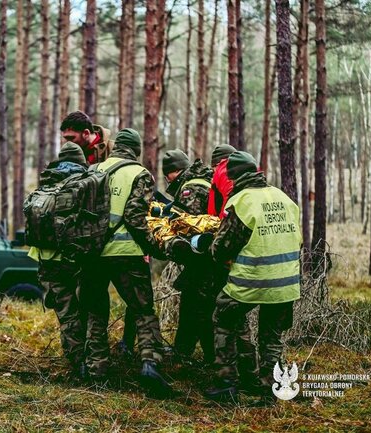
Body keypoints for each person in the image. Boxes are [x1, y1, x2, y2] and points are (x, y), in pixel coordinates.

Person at [79, 128, 172, 395]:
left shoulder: (94, 170)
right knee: (143, 310)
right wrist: (156, 246)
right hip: (127, 254)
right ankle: (150, 364)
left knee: (95, 311)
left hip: (93, 254)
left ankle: (96, 370)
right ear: (136, 150)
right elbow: (134, 216)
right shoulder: (139, 174)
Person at [204, 151, 301, 402]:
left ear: (233, 178)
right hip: (287, 282)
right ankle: (270, 388)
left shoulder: (242, 201)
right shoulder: (283, 197)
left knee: (223, 316)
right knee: (271, 335)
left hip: (252, 281)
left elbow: (222, 249)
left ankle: (226, 383)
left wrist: (208, 244)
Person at [27, 143, 89, 379]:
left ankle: (76, 361)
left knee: (66, 311)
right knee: (87, 307)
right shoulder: (84, 181)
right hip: (76, 256)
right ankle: (91, 360)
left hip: (46, 258)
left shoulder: (47, 181)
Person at [161, 149, 216, 366]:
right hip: (209, 256)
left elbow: (187, 225)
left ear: (175, 171)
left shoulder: (190, 188)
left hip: (201, 258)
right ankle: (184, 351)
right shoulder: (204, 180)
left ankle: (211, 358)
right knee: (194, 304)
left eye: (168, 174)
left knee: (199, 307)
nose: (167, 180)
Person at [208, 144, 237, 218]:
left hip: (224, 222)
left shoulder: (224, 172)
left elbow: (229, 203)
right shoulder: (237, 171)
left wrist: (221, 223)